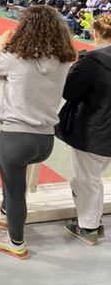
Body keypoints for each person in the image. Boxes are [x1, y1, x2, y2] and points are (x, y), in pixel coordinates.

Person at [0, 6, 76, 259]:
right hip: (45, 139)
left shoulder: (14, 57)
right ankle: (6, 218)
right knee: (14, 186)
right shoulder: (63, 61)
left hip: (16, 136)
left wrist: (2, 45)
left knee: (15, 189)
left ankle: (15, 241)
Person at [58, 14, 111, 245]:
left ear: (95, 33)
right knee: (92, 178)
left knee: (85, 179)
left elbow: (68, 91)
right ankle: (92, 221)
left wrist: (76, 66)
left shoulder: (91, 61)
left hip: (93, 130)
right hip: (106, 131)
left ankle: (88, 227)